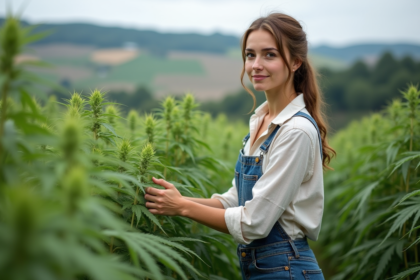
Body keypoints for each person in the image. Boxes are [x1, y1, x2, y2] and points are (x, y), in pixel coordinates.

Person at [144, 12, 335, 280]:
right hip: (266, 268)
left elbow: (253, 222)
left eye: (269, 54)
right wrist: (175, 200)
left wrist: (182, 208)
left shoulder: (295, 131)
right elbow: (235, 201)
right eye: (250, 55)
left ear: (295, 62)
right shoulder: (261, 121)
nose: (256, 64)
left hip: (287, 269)